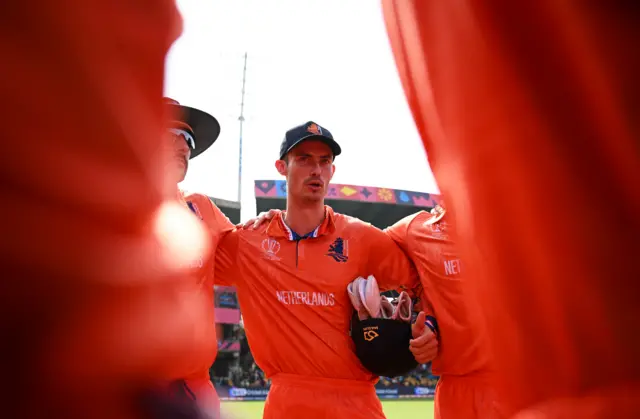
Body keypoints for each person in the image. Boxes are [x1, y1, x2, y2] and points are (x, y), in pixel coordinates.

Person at [382, 1, 640, 418]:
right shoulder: (418, 231)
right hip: (469, 393)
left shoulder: (543, 203)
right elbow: (363, 253)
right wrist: (427, 318)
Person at [214, 121, 438, 419]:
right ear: (282, 167)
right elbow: (190, 255)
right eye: (304, 159)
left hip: (356, 402)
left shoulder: (363, 237)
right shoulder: (249, 241)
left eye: (324, 161)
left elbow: (422, 281)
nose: (316, 169)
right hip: (286, 401)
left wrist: (429, 327)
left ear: (332, 171)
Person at [385, 204, 504, 419]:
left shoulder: (528, 222)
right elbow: (368, 257)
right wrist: (427, 307)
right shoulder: (417, 229)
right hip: (456, 391)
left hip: (522, 385)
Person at [163, 98, 235, 418]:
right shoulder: (105, 208)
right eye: (169, 134)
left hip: (195, 388)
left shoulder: (200, 208)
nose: (183, 147)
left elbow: (257, 262)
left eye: (188, 140)